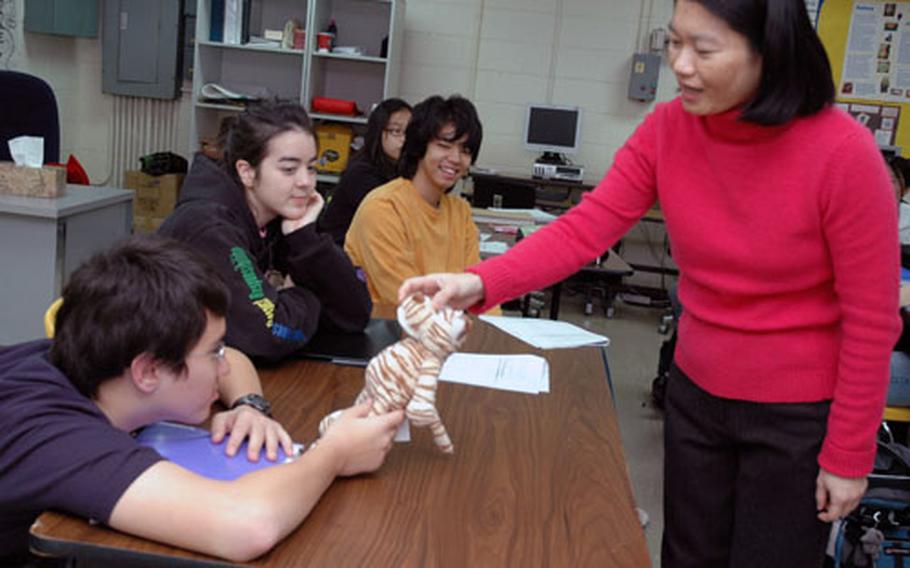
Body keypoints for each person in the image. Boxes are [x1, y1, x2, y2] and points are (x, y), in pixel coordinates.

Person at [400, 1, 901, 566]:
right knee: (687, 555)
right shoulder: (668, 129)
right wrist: (478, 282)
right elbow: (585, 229)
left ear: (769, 51)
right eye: (674, 44)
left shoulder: (843, 153)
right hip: (695, 396)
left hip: (796, 420)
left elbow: (872, 318)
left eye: (704, 49)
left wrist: (848, 452)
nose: (680, 66)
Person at [0, 236, 403, 565]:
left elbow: (238, 360)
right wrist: (334, 453)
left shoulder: (90, 358)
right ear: (148, 372)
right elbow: (246, 525)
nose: (224, 368)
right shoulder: (54, 435)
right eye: (213, 353)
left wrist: (248, 404)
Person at [158, 100, 371, 363]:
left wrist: (306, 240)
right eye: (289, 169)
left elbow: (355, 314)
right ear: (246, 172)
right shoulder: (210, 228)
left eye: (311, 167)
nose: (305, 182)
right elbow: (268, 333)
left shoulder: (278, 218)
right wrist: (303, 292)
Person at [344, 95, 484, 307]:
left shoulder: (460, 212)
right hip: (385, 332)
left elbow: (477, 290)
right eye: (444, 145)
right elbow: (406, 299)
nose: (456, 158)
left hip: (444, 330)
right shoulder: (383, 208)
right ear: (420, 146)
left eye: (465, 150)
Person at [318, 98, 413, 246]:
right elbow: (392, 219)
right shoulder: (361, 173)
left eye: (409, 132)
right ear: (378, 131)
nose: (404, 139)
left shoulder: (399, 166)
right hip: (340, 253)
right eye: (396, 131)